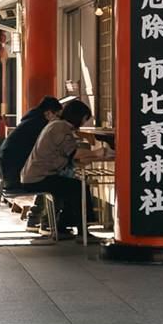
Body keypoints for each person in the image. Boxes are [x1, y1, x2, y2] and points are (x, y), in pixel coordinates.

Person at [20, 99, 105, 237]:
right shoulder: (61, 127)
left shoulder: (55, 124)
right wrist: (97, 153)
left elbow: (66, 153)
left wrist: (92, 156)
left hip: (34, 175)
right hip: (39, 177)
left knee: (70, 185)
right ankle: (83, 230)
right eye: (85, 119)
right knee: (77, 187)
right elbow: (73, 152)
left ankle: (63, 226)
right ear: (78, 116)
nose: (84, 123)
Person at [0, 96, 62, 186]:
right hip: (15, 177)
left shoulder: (31, 120)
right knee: (60, 182)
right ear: (49, 113)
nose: (59, 120)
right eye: (58, 116)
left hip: (7, 174)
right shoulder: (39, 124)